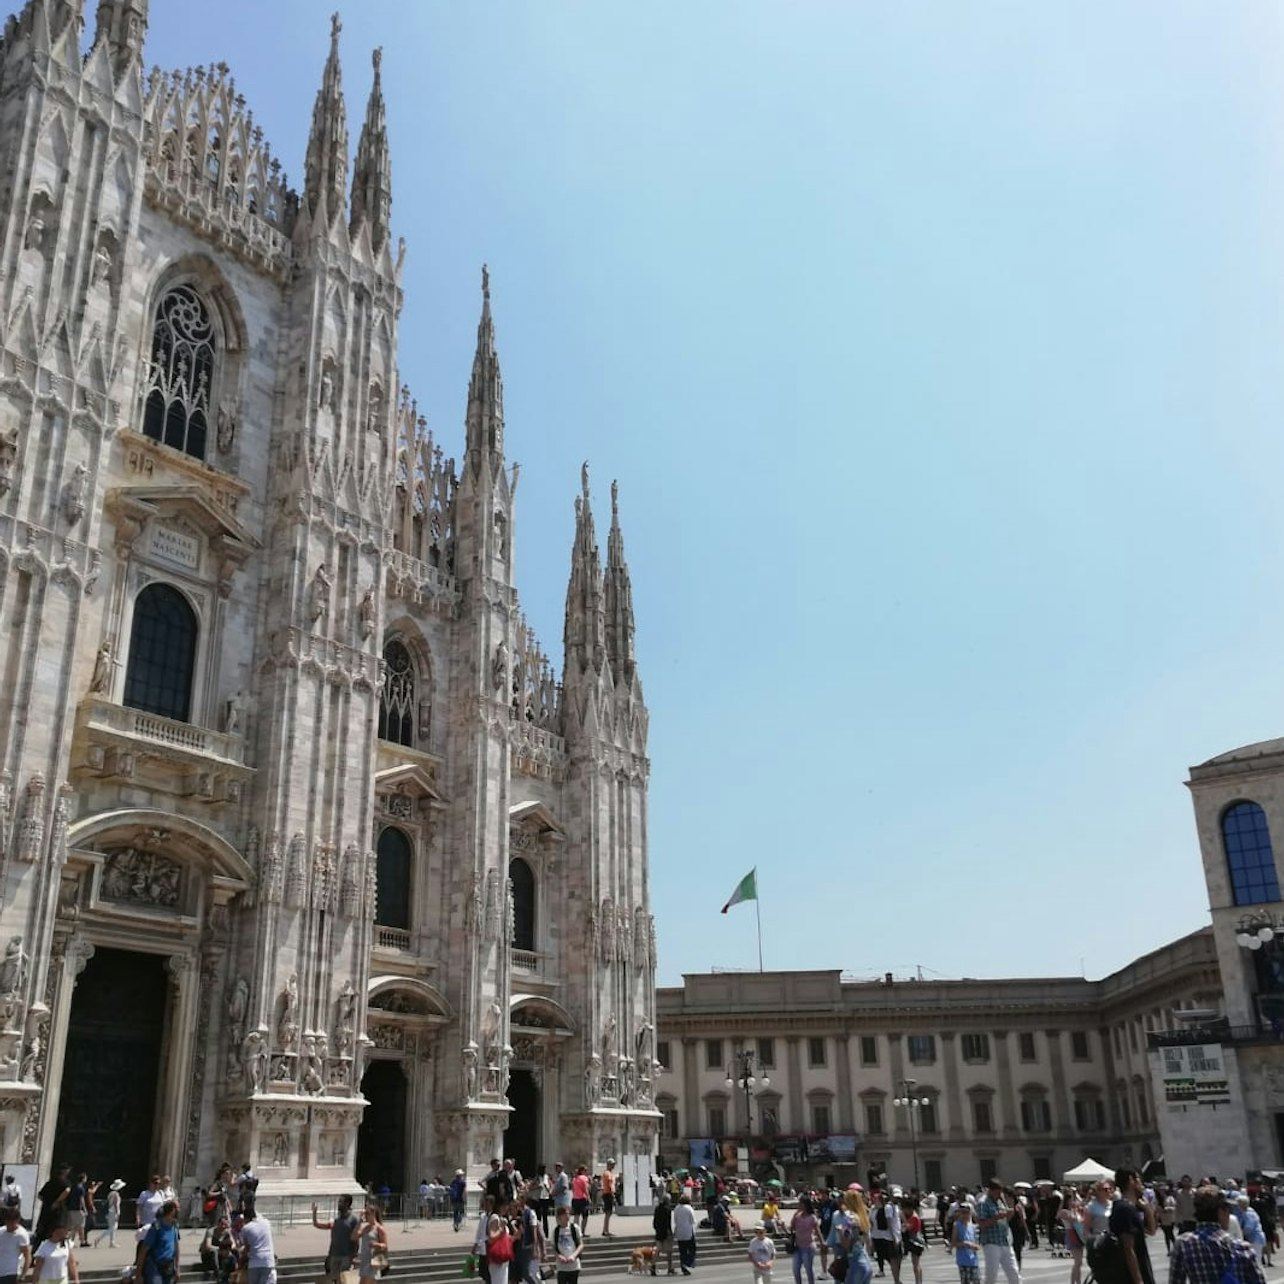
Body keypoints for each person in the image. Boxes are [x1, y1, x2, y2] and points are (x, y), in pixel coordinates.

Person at [1169, 1185, 1266, 1284]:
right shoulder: (1242, 1248)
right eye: (1228, 1210)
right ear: (1221, 1212)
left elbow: (1175, 1281)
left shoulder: (1183, 1244)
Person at [1108, 1169, 1155, 1284]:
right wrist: (1138, 1281)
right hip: (1130, 1277)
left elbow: (1151, 1231)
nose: (1142, 1184)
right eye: (1139, 1179)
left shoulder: (1132, 1208)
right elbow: (1128, 1248)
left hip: (1141, 1270)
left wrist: (1147, 1210)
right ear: (1131, 1180)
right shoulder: (1124, 1209)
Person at [974, 1178, 1020, 1284]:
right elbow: (982, 1224)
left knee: (1014, 1272)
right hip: (991, 1242)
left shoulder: (1000, 1201)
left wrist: (1010, 1212)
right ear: (991, 1190)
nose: (999, 1195)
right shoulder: (983, 1203)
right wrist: (996, 1217)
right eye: (997, 1192)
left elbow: (1005, 1220)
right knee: (992, 1274)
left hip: (1004, 1240)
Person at [313, 1194, 359, 1284]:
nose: (339, 1204)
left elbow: (356, 1240)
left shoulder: (353, 1219)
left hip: (346, 1256)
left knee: (343, 1280)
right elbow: (317, 1225)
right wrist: (314, 1213)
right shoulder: (336, 1220)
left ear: (347, 1203)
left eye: (341, 1202)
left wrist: (354, 1256)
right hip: (334, 1255)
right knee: (334, 1281)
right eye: (339, 1201)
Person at [135, 1200, 180, 1284]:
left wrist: (177, 1268)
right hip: (155, 1267)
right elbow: (144, 1250)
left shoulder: (175, 1226)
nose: (179, 1211)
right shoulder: (156, 1227)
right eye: (177, 1208)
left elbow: (176, 1248)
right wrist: (138, 1273)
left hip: (169, 1267)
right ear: (171, 1211)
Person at [868, 1192, 901, 1283]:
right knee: (880, 1254)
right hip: (876, 1235)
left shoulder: (886, 1208)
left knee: (890, 1256)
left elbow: (889, 1222)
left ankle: (896, 1274)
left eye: (876, 1198)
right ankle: (882, 1269)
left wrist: (893, 1235)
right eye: (873, 1198)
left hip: (885, 1236)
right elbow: (870, 1221)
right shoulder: (872, 1209)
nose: (874, 1200)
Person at [35, 1166, 71, 1247]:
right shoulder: (64, 1182)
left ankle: (36, 1253)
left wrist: (47, 1202)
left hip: (46, 1211)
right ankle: (61, 1252)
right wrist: (57, 1201)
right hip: (58, 1211)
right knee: (59, 1231)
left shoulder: (49, 1183)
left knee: (42, 1233)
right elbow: (67, 1190)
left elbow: (40, 1195)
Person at [238, 1207, 276, 1284]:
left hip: (255, 1261)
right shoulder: (266, 1222)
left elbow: (246, 1247)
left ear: (245, 1218)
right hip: (268, 1261)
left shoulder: (246, 1228)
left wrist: (241, 1260)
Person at [789, 1196, 820, 1284]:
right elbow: (792, 1226)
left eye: (801, 1203)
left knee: (808, 1269)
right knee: (795, 1268)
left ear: (805, 1204)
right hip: (798, 1246)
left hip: (808, 1246)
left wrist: (822, 1242)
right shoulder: (797, 1216)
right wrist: (795, 1215)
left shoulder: (812, 1217)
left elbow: (817, 1231)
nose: (799, 1205)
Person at [354, 1204, 387, 1284]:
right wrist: (359, 1221)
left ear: (373, 1214)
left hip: (373, 1261)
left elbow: (385, 1245)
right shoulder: (366, 1227)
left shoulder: (379, 1228)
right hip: (364, 1261)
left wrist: (376, 1245)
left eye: (367, 1213)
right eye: (365, 1213)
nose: (365, 1215)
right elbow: (354, 1236)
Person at [0, 1202, 32, 1284]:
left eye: (11, 1222)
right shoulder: (1, 1231)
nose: (9, 1225)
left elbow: (27, 1256)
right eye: (7, 1222)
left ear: (17, 1220)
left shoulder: (21, 1235)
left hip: (11, 1273)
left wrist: (23, 1275)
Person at [551, 1206, 582, 1284]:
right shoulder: (556, 1231)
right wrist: (559, 1256)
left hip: (574, 1265)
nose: (567, 1216)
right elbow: (553, 1247)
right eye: (565, 1214)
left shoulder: (574, 1228)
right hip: (561, 1267)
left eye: (568, 1213)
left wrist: (574, 1256)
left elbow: (581, 1244)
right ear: (559, 1217)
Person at [952, 1206, 980, 1284]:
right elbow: (953, 1243)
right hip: (963, 1260)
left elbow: (977, 1243)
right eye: (963, 1213)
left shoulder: (972, 1226)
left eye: (967, 1213)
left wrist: (976, 1246)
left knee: (976, 1281)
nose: (965, 1215)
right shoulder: (957, 1225)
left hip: (973, 1260)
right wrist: (964, 1243)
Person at [485, 1212, 514, 1284]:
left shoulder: (505, 1220)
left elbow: (508, 1238)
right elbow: (491, 1238)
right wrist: (501, 1228)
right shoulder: (495, 1218)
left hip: (504, 1258)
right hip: (496, 1256)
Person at [901, 1199, 926, 1284]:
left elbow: (906, 1228)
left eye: (905, 1209)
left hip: (916, 1242)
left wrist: (903, 1219)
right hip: (914, 1240)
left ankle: (918, 1281)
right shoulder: (913, 1216)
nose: (904, 1211)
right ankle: (919, 1281)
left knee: (916, 1264)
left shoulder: (914, 1217)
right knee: (916, 1264)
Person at [94, 1181, 123, 1249]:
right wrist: (118, 1212)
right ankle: (98, 1238)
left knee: (111, 1227)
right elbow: (116, 1204)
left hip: (110, 1211)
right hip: (114, 1212)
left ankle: (112, 1242)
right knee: (113, 1227)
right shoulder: (116, 1194)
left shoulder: (110, 1193)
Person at [1236, 1195, 1266, 1263]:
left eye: (1238, 1203)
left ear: (1243, 1204)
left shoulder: (1249, 1213)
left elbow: (1248, 1228)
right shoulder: (1243, 1212)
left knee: (1257, 1262)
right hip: (1252, 1239)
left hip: (1256, 1239)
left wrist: (1240, 1235)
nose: (1237, 1205)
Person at [673, 1193, 697, 1276]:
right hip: (688, 1232)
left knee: (682, 1251)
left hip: (679, 1232)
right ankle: (689, 1262)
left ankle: (683, 1267)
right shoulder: (689, 1208)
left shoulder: (676, 1208)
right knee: (692, 1249)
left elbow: (675, 1220)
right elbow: (692, 1220)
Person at [653, 1194, 675, 1276]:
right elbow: (668, 1223)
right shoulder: (668, 1209)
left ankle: (653, 1266)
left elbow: (654, 1221)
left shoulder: (657, 1208)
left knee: (657, 1251)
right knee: (669, 1251)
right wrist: (670, 1233)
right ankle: (670, 1268)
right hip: (666, 1233)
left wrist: (656, 1229)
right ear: (667, 1200)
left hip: (659, 1232)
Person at [65, 1177, 87, 1250]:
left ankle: (71, 1241)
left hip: (70, 1209)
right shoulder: (80, 1188)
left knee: (73, 1226)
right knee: (80, 1226)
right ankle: (82, 1241)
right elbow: (81, 1199)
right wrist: (84, 1209)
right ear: (83, 1179)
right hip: (78, 1209)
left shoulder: (72, 1187)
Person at [571, 1168, 591, 1238]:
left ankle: (576, 1233)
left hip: (575, 1199)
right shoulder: (584, 1178)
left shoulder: (574, 1179)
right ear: (582, 1171)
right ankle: (582, 1232)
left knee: (576, 1216)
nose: (586, 1172)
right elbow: (585, 1189)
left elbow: (573, 1189)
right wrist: (588, 1198)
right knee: (585, 1216)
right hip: (582, 1199)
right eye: (585, 1170)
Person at [601, 1161, 618, 1238]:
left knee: (609, 1213)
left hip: (607, 1194)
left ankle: (605, 1230)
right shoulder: (608, 1173)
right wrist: (612, 1194)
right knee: (608, 1212)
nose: (613, 1166)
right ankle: (605, 1230)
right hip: (608, 1194)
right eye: (612, 1164)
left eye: (613, 1164)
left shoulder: (608, 1173)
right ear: (608, 1165)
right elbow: (609, 1184)